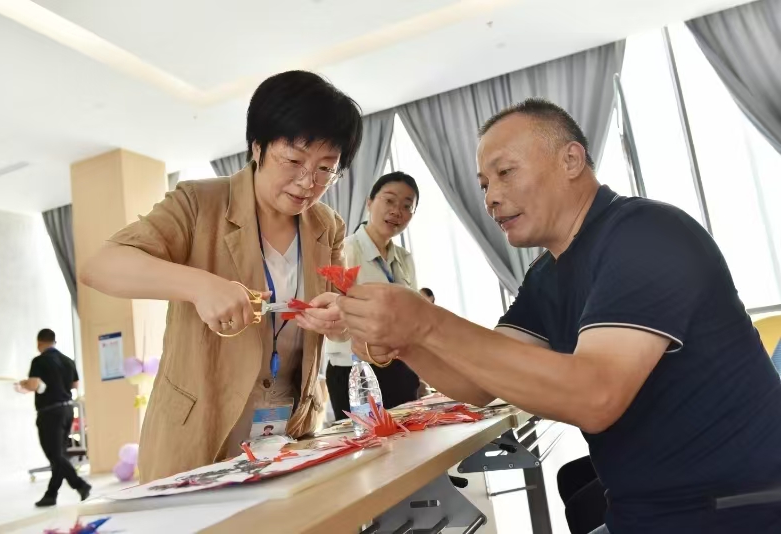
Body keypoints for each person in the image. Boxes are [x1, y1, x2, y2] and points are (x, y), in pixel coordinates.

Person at [335, 99, 781, 533]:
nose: (491, 198)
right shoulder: (547, 274)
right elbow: (478, 384)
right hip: (645, 512)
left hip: (739, 509)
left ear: (571, 160)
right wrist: (405, 340)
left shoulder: (646, 234)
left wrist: (427, 322)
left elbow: (596, 397)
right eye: (484, 184)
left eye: (505, 172)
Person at [80, 70, 361, 482]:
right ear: (258, 147)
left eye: (325, 169)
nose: (308, 183)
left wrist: (339, 317)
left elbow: (340, 310)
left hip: (290, 432)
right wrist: (199, 285)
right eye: (294, 161)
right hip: (198, 432)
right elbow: (102, 266)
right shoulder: (199, 203)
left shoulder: (327, 225)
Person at [324, 172, 422, 419]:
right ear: (369, 202)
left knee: (412, 439)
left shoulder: (404, 258)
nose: (397, 211)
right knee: (367, 442)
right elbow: (331, 313)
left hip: (400, 366)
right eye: (389, 200)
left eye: (407, 206)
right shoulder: (344, 252)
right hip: (355, 372)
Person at [16, 329, 91, 507]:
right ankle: (51, 494)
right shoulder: (68, 360)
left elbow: (33, 385)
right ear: (54, 342)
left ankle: (80, 484)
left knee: (54, 454)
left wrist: (25, 384)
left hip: (49, 412)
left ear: (39, 343)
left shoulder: (39, 361)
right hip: (67, 410)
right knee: (60, 454)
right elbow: (75, 385)